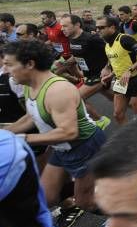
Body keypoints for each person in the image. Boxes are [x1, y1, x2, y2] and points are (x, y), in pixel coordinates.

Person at [4, 40, 106, 214]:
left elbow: (69, 132)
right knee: (47, 197)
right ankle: (101, 186)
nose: (5, 70)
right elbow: (31, 117)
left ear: (30, 64)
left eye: (9, 65)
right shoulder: (30, 85)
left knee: (85, 202)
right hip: (62, 147)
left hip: (84, 146)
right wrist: (4, 133)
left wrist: (24, 139)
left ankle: (133, 218)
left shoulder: (58, 90)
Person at [0, 129, 62, 227]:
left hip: (12, 153)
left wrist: (25, 137)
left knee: (84, 200)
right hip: (15, 146)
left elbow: (70, 132)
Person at [59, 14, 111, 130]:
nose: (62, 29)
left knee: (75, 99)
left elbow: (111, 51)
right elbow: (78, 55)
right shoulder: (72, 39)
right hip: (89, 75)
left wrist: (107, 68)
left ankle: (101, 121)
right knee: (114, 98)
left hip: (99, 75)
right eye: (61, 26)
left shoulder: (91, 39)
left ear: (77, 25)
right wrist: (63, 65)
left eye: (65, 26)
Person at [98, 16, 137, 124]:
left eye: (101, 27)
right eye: (97, 27)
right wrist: (111, 75)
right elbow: (118, 63)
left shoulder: (125, 39)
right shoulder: (107, 44)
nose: (98, 30)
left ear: (112, 27)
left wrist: (129, 70)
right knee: (118, 115)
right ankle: (130, 138)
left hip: (135, 80)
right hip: (120, 82)